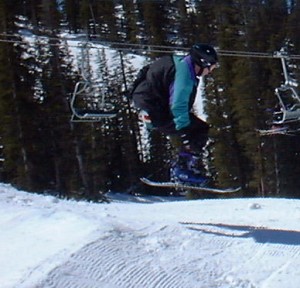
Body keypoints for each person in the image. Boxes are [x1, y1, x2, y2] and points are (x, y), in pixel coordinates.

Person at [131, 43, 218, 185]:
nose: (211, 71)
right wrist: (184, 131)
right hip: (155, 110)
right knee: (199, 130)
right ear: (203, 63)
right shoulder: (185, 77)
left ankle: (183, 167)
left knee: (195, 128)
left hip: (148, 102)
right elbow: (178, 105)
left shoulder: (180, 63)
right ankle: (182, 170)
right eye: (211, 67)